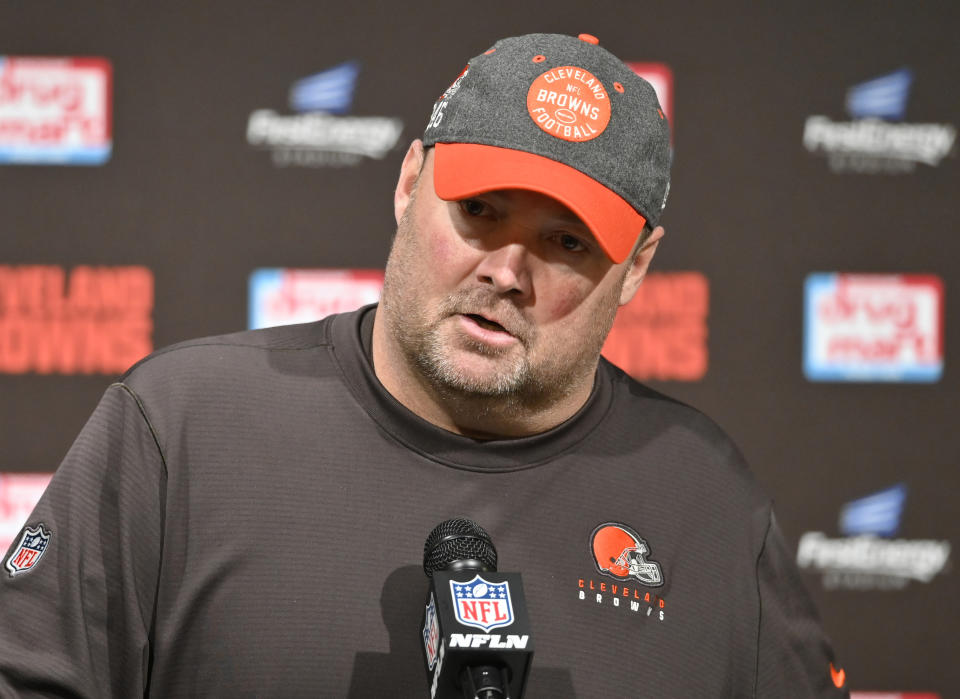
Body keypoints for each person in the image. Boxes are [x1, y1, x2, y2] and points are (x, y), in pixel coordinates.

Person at [0, 33, 848, 697]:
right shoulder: (182, 429)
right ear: (409, 183)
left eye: (566, 242)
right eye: (479, 211)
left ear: (635, 268)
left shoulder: (706, 500)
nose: (507, 271)